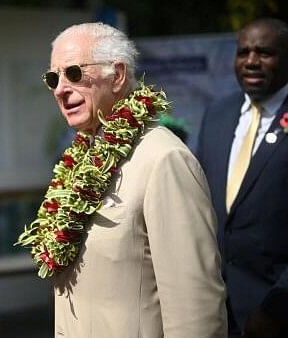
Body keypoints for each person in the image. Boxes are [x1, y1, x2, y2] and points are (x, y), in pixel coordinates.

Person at [25, 22, 227, 337]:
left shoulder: (164, 159)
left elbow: (196, 308)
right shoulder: (81, 158)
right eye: (53, 78)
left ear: (117, 75)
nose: (61, 89)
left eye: (74, 74)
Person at [197, 18, 288, 338]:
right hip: (217, 312)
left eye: (265, 53)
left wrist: (277, 308)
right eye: (243, 52)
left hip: (275, 313)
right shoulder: (218, 114)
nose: (251, 61)